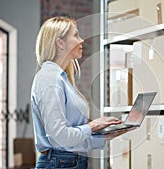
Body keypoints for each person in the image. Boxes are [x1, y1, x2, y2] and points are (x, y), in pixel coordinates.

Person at [31, 16, 128, 169]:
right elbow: (60, 137)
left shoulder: (62, 79)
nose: (81, 40)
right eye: (76, 35)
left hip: (69, 162)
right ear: (60, 43)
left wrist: (104, 136)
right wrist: (93, 125)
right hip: (60, 163)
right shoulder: (49, 79)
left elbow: (70, 141)